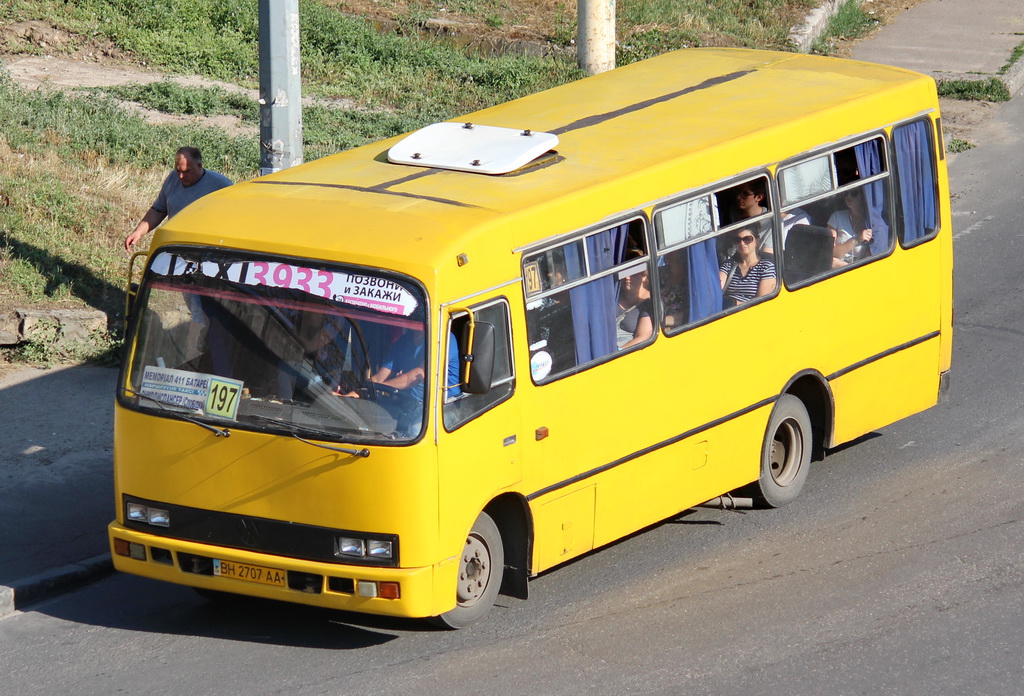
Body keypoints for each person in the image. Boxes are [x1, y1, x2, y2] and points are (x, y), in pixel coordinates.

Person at [124, 147, 232, 251]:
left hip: (205, 251)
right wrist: (138, 232)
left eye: (186, 172)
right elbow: (159, 210)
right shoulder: (172, 178)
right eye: (178, 171)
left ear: (199, 166)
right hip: (175, 246)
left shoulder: (222, 186)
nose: (181, 176)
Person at [719, 228, 777, 305]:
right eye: (738, 240)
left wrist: (734, 304)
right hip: (726, 312)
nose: (742, 243)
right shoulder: (729, 265)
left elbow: (761, 303)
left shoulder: (766, 267)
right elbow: (717, 289)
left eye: (747, 239)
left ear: (756, 241)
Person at [616, 253, 653, 349]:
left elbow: (644, 336)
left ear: (643, 276)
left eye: (633, 274)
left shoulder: (649, 302)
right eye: (624, 273)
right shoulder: (614, 295)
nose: (627, 278)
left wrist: (618, 352)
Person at [827, 188, 873, 265]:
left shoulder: (873, 222)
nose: (849, 197)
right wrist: (857, 239)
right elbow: (830, 253)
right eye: (846, 194)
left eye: (854, 193)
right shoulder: (836, 217)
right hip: (839, 269)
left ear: (863, 196)